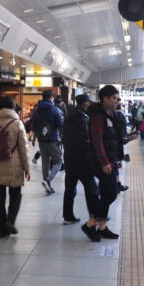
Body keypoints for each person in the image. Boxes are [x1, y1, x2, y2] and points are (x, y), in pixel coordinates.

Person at [82, 85, 133, 242]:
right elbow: (97, 142)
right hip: (101, 162)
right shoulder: (98, 116)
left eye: (116, 98)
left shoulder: (110, 114)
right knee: (111, 193)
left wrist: (126, 139)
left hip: (111, 160)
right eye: (113, 98)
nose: (116, 101)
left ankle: (102, 227)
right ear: (104, 98)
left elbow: (111, 138)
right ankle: (90, 224)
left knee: (106, 193)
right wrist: (104, 163)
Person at [0, 96, 30, 238]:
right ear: (13, 107)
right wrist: (27, 168)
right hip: (13, 166)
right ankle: (10, 220)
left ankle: (2, 229)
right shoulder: (17, 123)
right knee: (15, 194)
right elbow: (23, 148)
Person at [62, 93, 99, 224]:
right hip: (82, 160)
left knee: (70, 188)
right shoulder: (83, 119)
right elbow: (84, 141)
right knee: (92, 189)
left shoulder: (69, 116)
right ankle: (95, 218)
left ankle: (67, 216)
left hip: (69, 158)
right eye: (89, 103)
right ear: (85, 104)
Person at [31, 89, 64, 194]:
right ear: (51, 97)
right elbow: (60, 124)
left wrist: (34, 139)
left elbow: (34, 126)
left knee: (45, 163)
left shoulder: (36, 111)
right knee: (58, 161)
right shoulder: (55, 110)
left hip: (41, 140)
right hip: (52, 139)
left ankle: (47, 186)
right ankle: (48, 180)